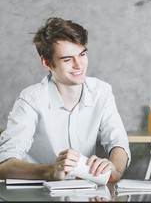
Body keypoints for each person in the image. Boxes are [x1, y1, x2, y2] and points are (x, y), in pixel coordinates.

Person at [0, 17, 130, 183]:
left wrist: (115, 169)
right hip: (38, 194)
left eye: (82, 54)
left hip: (86, 193)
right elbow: (4, 166)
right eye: (67, 59)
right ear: (47, 63)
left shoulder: (102, 92)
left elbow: (117, 141)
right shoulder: (30, 99)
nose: (79, 65)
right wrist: (52, 171)